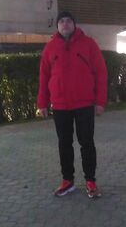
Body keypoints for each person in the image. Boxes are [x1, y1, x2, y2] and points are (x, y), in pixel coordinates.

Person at [37, 11, 108, 198]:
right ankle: (67, 181)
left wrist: (100, 101)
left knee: (87, 143)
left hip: (84, 104)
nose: (65, 24)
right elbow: (44, 77)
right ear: (57, 26)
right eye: (61, 21)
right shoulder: (50, 47)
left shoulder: (89, 44)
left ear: (74, 24)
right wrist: (42, 103)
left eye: (68, 21)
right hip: (60, 105)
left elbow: (101, 73)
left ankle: (91, 181)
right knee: (64, 144)